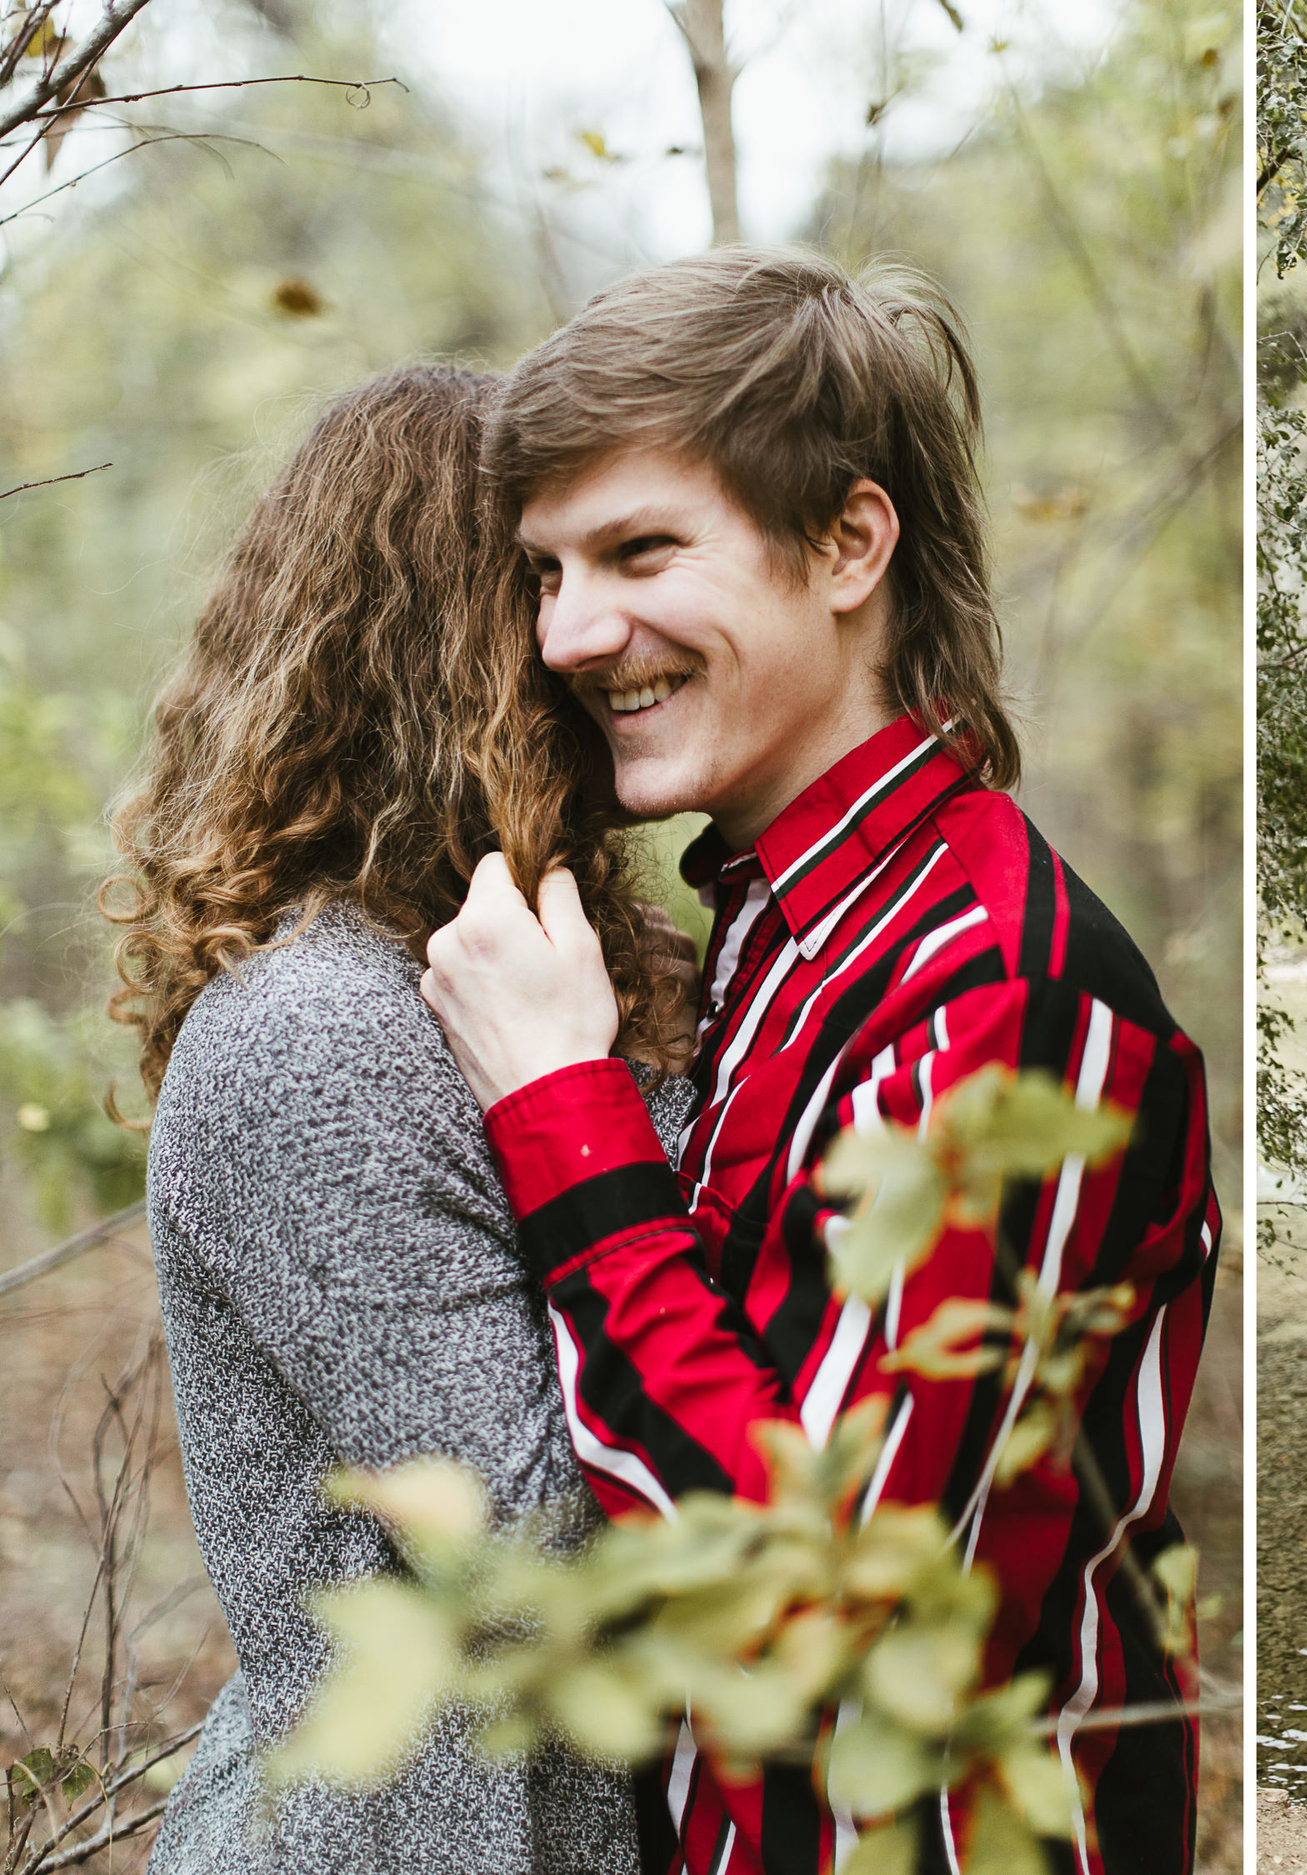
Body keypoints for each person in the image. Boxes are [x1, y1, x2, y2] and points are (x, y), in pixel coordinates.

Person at [419, 248, 1219, 1875]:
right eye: (547, 572)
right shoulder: (783, 925)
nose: (573, 632)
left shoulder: (1002, 995)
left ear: (850, 541)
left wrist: (563, 1118)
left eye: (639, 550)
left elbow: (820, 1602)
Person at [113, 366, 694, 1873]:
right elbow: (528, 1558)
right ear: (456, 645)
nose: (599, 635)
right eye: (549, 585)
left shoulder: (607, 972)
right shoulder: (316, 1037)